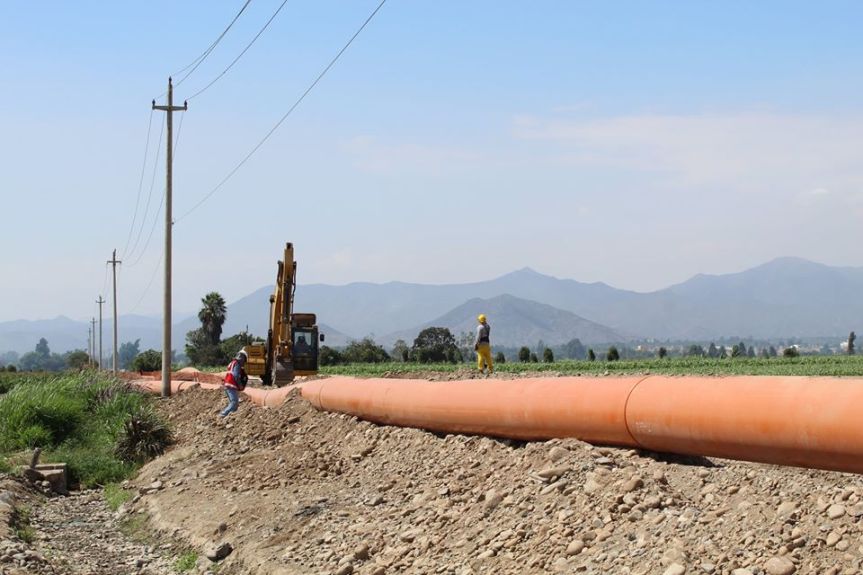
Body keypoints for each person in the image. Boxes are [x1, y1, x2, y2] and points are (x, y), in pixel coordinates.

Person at [220, 349, 248, 417]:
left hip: (228, 384)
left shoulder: (232, 362)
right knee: (234, 402)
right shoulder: (237, 364)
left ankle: (230, 417)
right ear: (242, 357)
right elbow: (236, 376)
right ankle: (223, 414)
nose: (243, 362)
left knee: (234, 404)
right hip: (231, 385)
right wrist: (240, 385)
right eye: (244, 359)